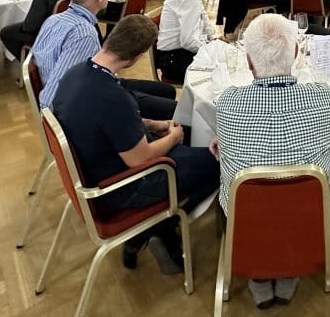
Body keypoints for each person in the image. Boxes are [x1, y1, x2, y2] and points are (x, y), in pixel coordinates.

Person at [51, 14, 220, 275]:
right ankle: (160, 224)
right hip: (122, 186)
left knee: (183, 132)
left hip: (96, 165)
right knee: (218, 161)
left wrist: (154, 125)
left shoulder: (77, 73)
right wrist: (173, 138)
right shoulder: (113, 97)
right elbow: (140, 160)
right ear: (138, 56)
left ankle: (159, 228)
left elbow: (108, 123)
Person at [209, 14, 330, 307]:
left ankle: (259, 275)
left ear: (249, 62)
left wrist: (225, 144)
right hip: (307, 208)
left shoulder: (228, 103)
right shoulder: (325, 98)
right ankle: (290, 269)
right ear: (295, 55)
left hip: (247, 213)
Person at [31, 0, 176, 117]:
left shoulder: (53, 19)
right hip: (84, 100)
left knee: (166, 91)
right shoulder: (84, 34)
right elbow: (56, 92)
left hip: (92, 84)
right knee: (172, 108)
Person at [156, 0, 218, 83]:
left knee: (222, 59)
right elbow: (188, 41)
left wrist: (213, 38)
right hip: (174, 59)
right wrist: (212, 50)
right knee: (222, 70)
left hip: (175, 53)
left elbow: (203, 15)